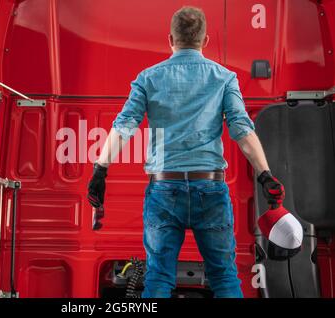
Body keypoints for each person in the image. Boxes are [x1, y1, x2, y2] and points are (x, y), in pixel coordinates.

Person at [87, 6, 284, 298]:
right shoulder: (224, 78)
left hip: (164, 189)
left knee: (159, 277)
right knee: (224, 275)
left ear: (170, 39)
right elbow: (242, 130)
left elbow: (124, 126)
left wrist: (100, 170)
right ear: (205, 41)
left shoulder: (148, 78)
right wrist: (265, 174)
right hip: (210, 189)